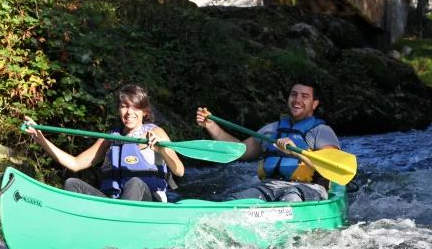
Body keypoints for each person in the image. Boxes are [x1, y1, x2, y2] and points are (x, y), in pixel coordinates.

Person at [24, 85, 184, 202]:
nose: (129, 113)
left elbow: (180, 171)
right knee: (72, 183)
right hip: (114, 203)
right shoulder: (110, 137)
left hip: (149, 205)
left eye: (135, 108)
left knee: (134, 182)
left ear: (144, 112)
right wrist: (42, 140)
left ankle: (121, 227)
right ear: (118, 110)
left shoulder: (155, 133)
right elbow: (75, 164)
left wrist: (162, 151)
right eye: (124, 107)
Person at [195, 77, 340, 202]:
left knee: (291, 198)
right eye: (294, 95)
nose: (297, 100)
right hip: (269, 187)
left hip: (309, 188)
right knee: (235, 200)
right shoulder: (271, 130)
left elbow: (331, 165)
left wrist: (297, 153)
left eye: (304, 96)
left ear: (314, 104)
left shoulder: (322, 131)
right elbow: (239, 150)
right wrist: (211, 125)